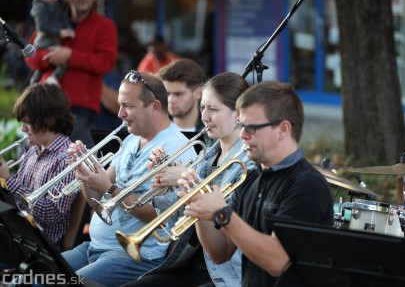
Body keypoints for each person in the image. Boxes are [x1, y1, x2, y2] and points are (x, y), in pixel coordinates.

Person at [177, 81, 335, 287]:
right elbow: (220, 253)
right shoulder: (251, 178)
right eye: (242, 126)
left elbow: (277, 262)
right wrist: (198, 205)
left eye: (251, 128)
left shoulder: (307, 185)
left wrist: (222, 214)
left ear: (283, 129)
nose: (242, 135)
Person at [61, 71, 197, 286]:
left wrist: (109, 188)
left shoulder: (176, 147)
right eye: (120, 105)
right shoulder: (132, 140)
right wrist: (85, 175)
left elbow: (160, 216)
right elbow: (98, 203)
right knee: (35, 274)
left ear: (154, 107)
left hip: (134, 256)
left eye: (128, 106)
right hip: (94, 247)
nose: (120, 113)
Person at [121, 72, 255, 287]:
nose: (204, 117)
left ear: (239, 114)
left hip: (226, 275)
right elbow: (178, 225)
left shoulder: (248, 165)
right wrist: (165, 187)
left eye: (213, 109)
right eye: (203, 107)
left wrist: (189, 182)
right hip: (191, 262)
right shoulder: (207, 157)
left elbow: (226, 225)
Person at [25, 0, 118, 149]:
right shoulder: (51, 19)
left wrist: (70, 56)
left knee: (76, 167)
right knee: (35, 163)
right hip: (44, 106)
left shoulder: (105, 26)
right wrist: (53, 56)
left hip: (79, 110)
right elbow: (30, 58)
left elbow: (106, 62)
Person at [0, 83, 77, 249]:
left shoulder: (67, 159)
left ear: (48, 120)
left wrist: (8, 180)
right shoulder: (34, 149)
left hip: (41, 246)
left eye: (27, 122)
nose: (23, 129)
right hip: (20, 235)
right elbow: (18, 197)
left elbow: (51, 214)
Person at [29, 0, 75, 86]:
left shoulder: (56, 6)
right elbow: (43, 26)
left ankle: (33, 85)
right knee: (62, 62)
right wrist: (59, 32)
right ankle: (53, 79)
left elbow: (63, 19)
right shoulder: (40, 7)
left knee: (42, 69)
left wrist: (69, 29)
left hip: (53, 41)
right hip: (45, 41)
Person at [156, 58, 205, 133]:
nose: (171, 100)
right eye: (167, 93)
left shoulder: (213, 133)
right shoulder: (153, 130)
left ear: (197, 93)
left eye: (178, 94)